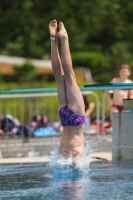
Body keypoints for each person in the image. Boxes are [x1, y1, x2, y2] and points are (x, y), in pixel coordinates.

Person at [48, 19, 85, 165]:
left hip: (74, 119)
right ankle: (55, 39)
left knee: (69, 76)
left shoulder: (67, 159)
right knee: (60, 76)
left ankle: (62, 38)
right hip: (65, 117)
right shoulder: (64, 159)